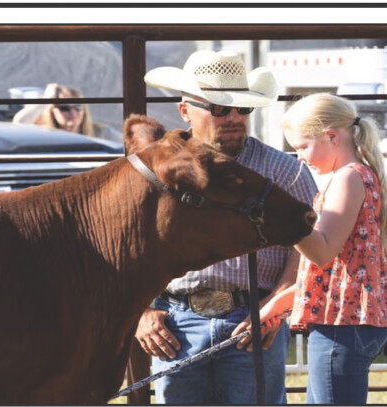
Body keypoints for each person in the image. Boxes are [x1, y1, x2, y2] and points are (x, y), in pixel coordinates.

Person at [134, 49, 318, 404]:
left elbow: (306, 246)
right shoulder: (154, 170)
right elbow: (129, 246)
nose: (233, 117)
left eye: (242, 108)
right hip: (174, 321)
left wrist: (273, 308)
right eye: (219, 108)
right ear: (185, 111)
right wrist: (142, 311)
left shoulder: (284, 170)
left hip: (254, 317)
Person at [255, 93, 387, 404]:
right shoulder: (358, 175)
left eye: (302, 146)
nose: (299, 157)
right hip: (346, 322)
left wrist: (283, 220)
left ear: (331, 136)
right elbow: (338, 268)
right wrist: (278, 304)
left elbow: (322, 252)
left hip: (342, 326)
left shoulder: (348, 178)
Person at [13, 83, 96, 137]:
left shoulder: (99, 133)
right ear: (52, 112)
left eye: (77, 107)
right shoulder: (43, 133)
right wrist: (47, 99)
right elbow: (20, 123)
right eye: (64, 108)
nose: (73, 113)